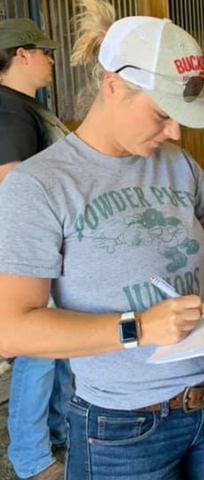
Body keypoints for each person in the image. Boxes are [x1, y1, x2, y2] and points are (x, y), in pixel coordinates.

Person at [0, 0, 204, 479]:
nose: (174, 133)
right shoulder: (41, 185)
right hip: (121, 426)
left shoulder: (176, 164)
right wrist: (138, 328)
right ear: (113, 86)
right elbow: (14, 327)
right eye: (161, 114)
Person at [0, 18, 72, 480]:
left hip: (34, 247)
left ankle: (57, 431)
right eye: (43, 52)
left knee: (58, 344)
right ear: (21, 55)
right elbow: (10, 179)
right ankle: (29, 455)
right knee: (39, 349)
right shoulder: (10, 110)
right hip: (25, 251)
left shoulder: (21, 106)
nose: (50, 59)